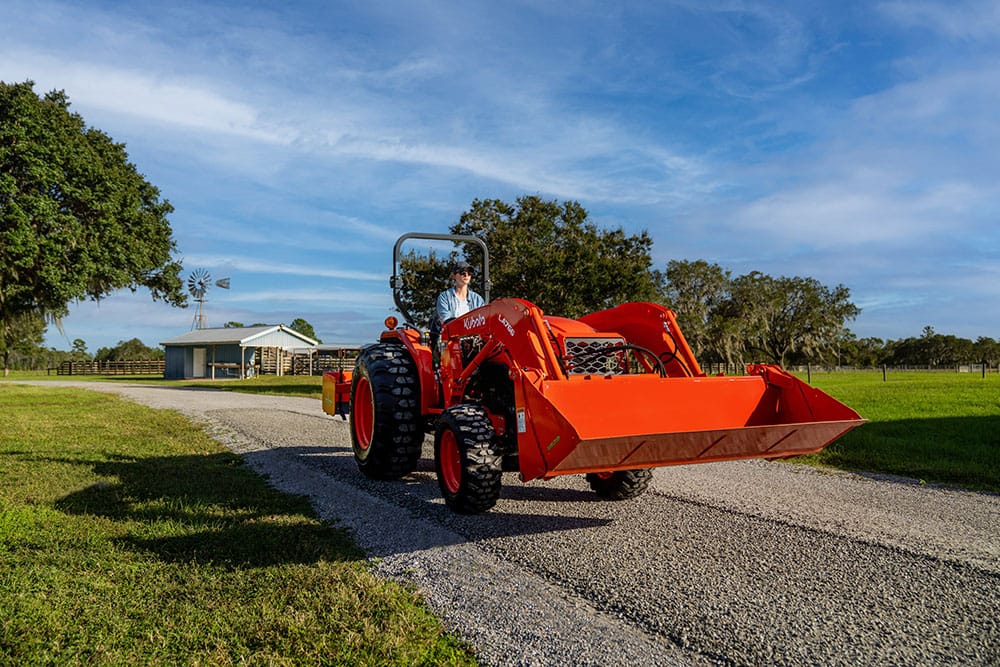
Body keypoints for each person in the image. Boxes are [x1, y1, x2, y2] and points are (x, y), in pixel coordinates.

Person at [431, 261, 484, 345]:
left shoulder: (477, 299)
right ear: (454, 276)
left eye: (469, 272)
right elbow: (446, 321)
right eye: (462, 272)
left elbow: (483, 322)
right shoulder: (445, 297)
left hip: (473, 342)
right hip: (450, 341)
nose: (466, 275)